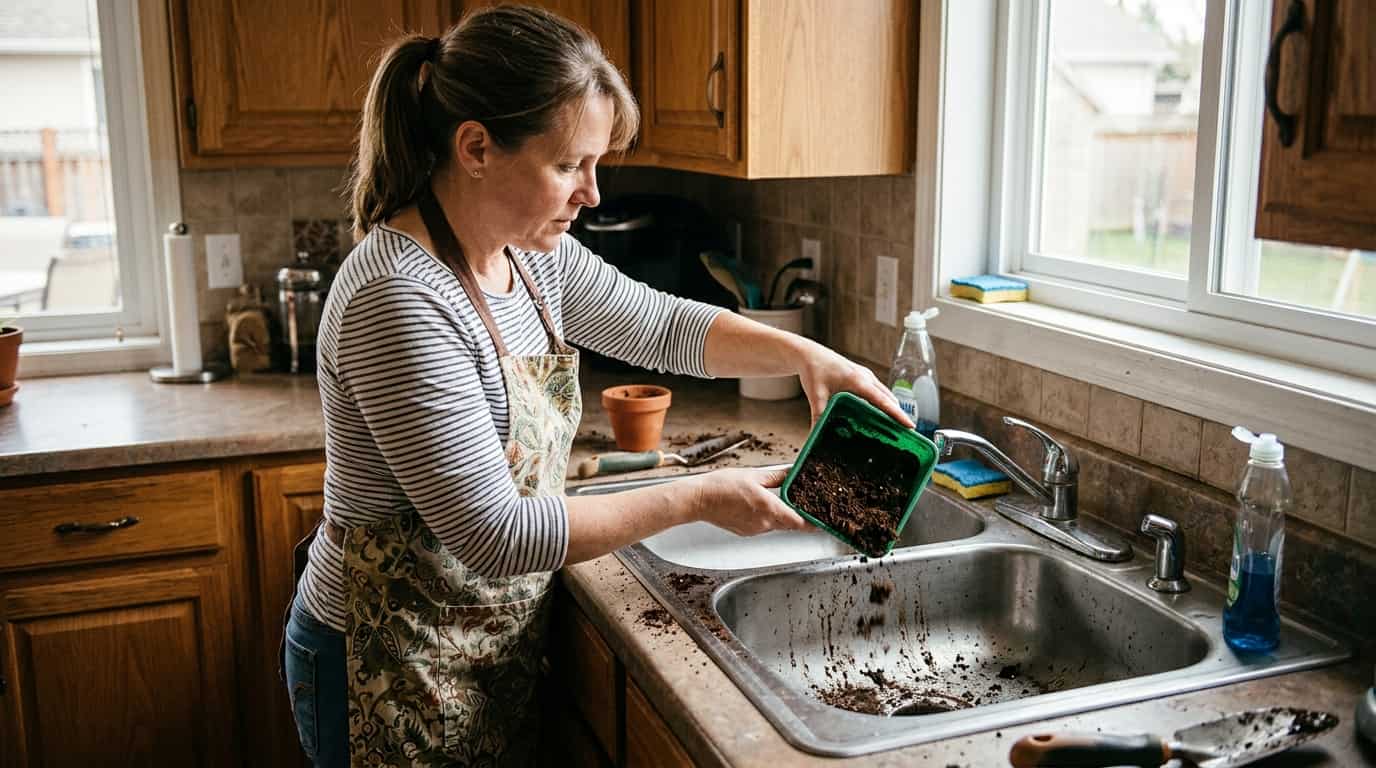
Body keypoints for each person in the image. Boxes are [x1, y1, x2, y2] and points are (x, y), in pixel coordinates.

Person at [281, 5, 912, 767]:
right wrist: (704, 494)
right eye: (568, 165)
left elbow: (663, 326)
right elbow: (498, 534)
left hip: (476, 649)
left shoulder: (528, 256)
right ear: (475, 147)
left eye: (596, 163)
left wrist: (811, 357)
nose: (594, 193)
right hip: (380, 661)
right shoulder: (400, 298)